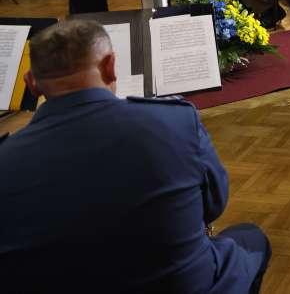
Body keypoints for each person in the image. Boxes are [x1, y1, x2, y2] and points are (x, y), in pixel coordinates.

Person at [0, 20, 270, 292]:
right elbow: (213, 205)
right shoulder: (174, 121)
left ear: (31, 83)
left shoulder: (6, 157)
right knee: (251, 238)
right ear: (110, 66)